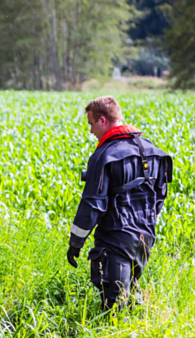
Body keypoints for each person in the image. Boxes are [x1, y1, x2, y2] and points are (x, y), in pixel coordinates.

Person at [66, 96, 173, 309]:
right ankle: (141, 334)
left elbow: (91, 205)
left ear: (103, 120)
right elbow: (159, 198)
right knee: (131, 295)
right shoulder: (153, 151)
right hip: (145, 240)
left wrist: (75, 244)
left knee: (114, 304)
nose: (90, 131)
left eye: (91, 124)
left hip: (115, 239)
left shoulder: (104, 155)